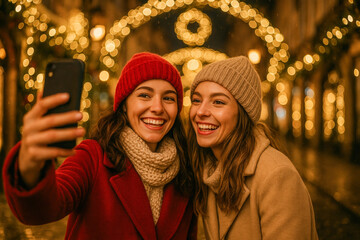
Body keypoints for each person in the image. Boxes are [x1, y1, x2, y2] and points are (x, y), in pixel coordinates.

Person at [2, 52, 197, 239]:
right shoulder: (92, 157)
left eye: (168, 98)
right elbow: (43, 209)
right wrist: (29, 168)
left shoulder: (184, 172)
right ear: (124, 104)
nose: (157, 108)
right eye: (144, 95)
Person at [188, 56, 318, 240]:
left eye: (218, 102)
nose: (201, 111)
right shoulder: (208, 170)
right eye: (196, 100)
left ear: (243, 112)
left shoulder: (277, 176)